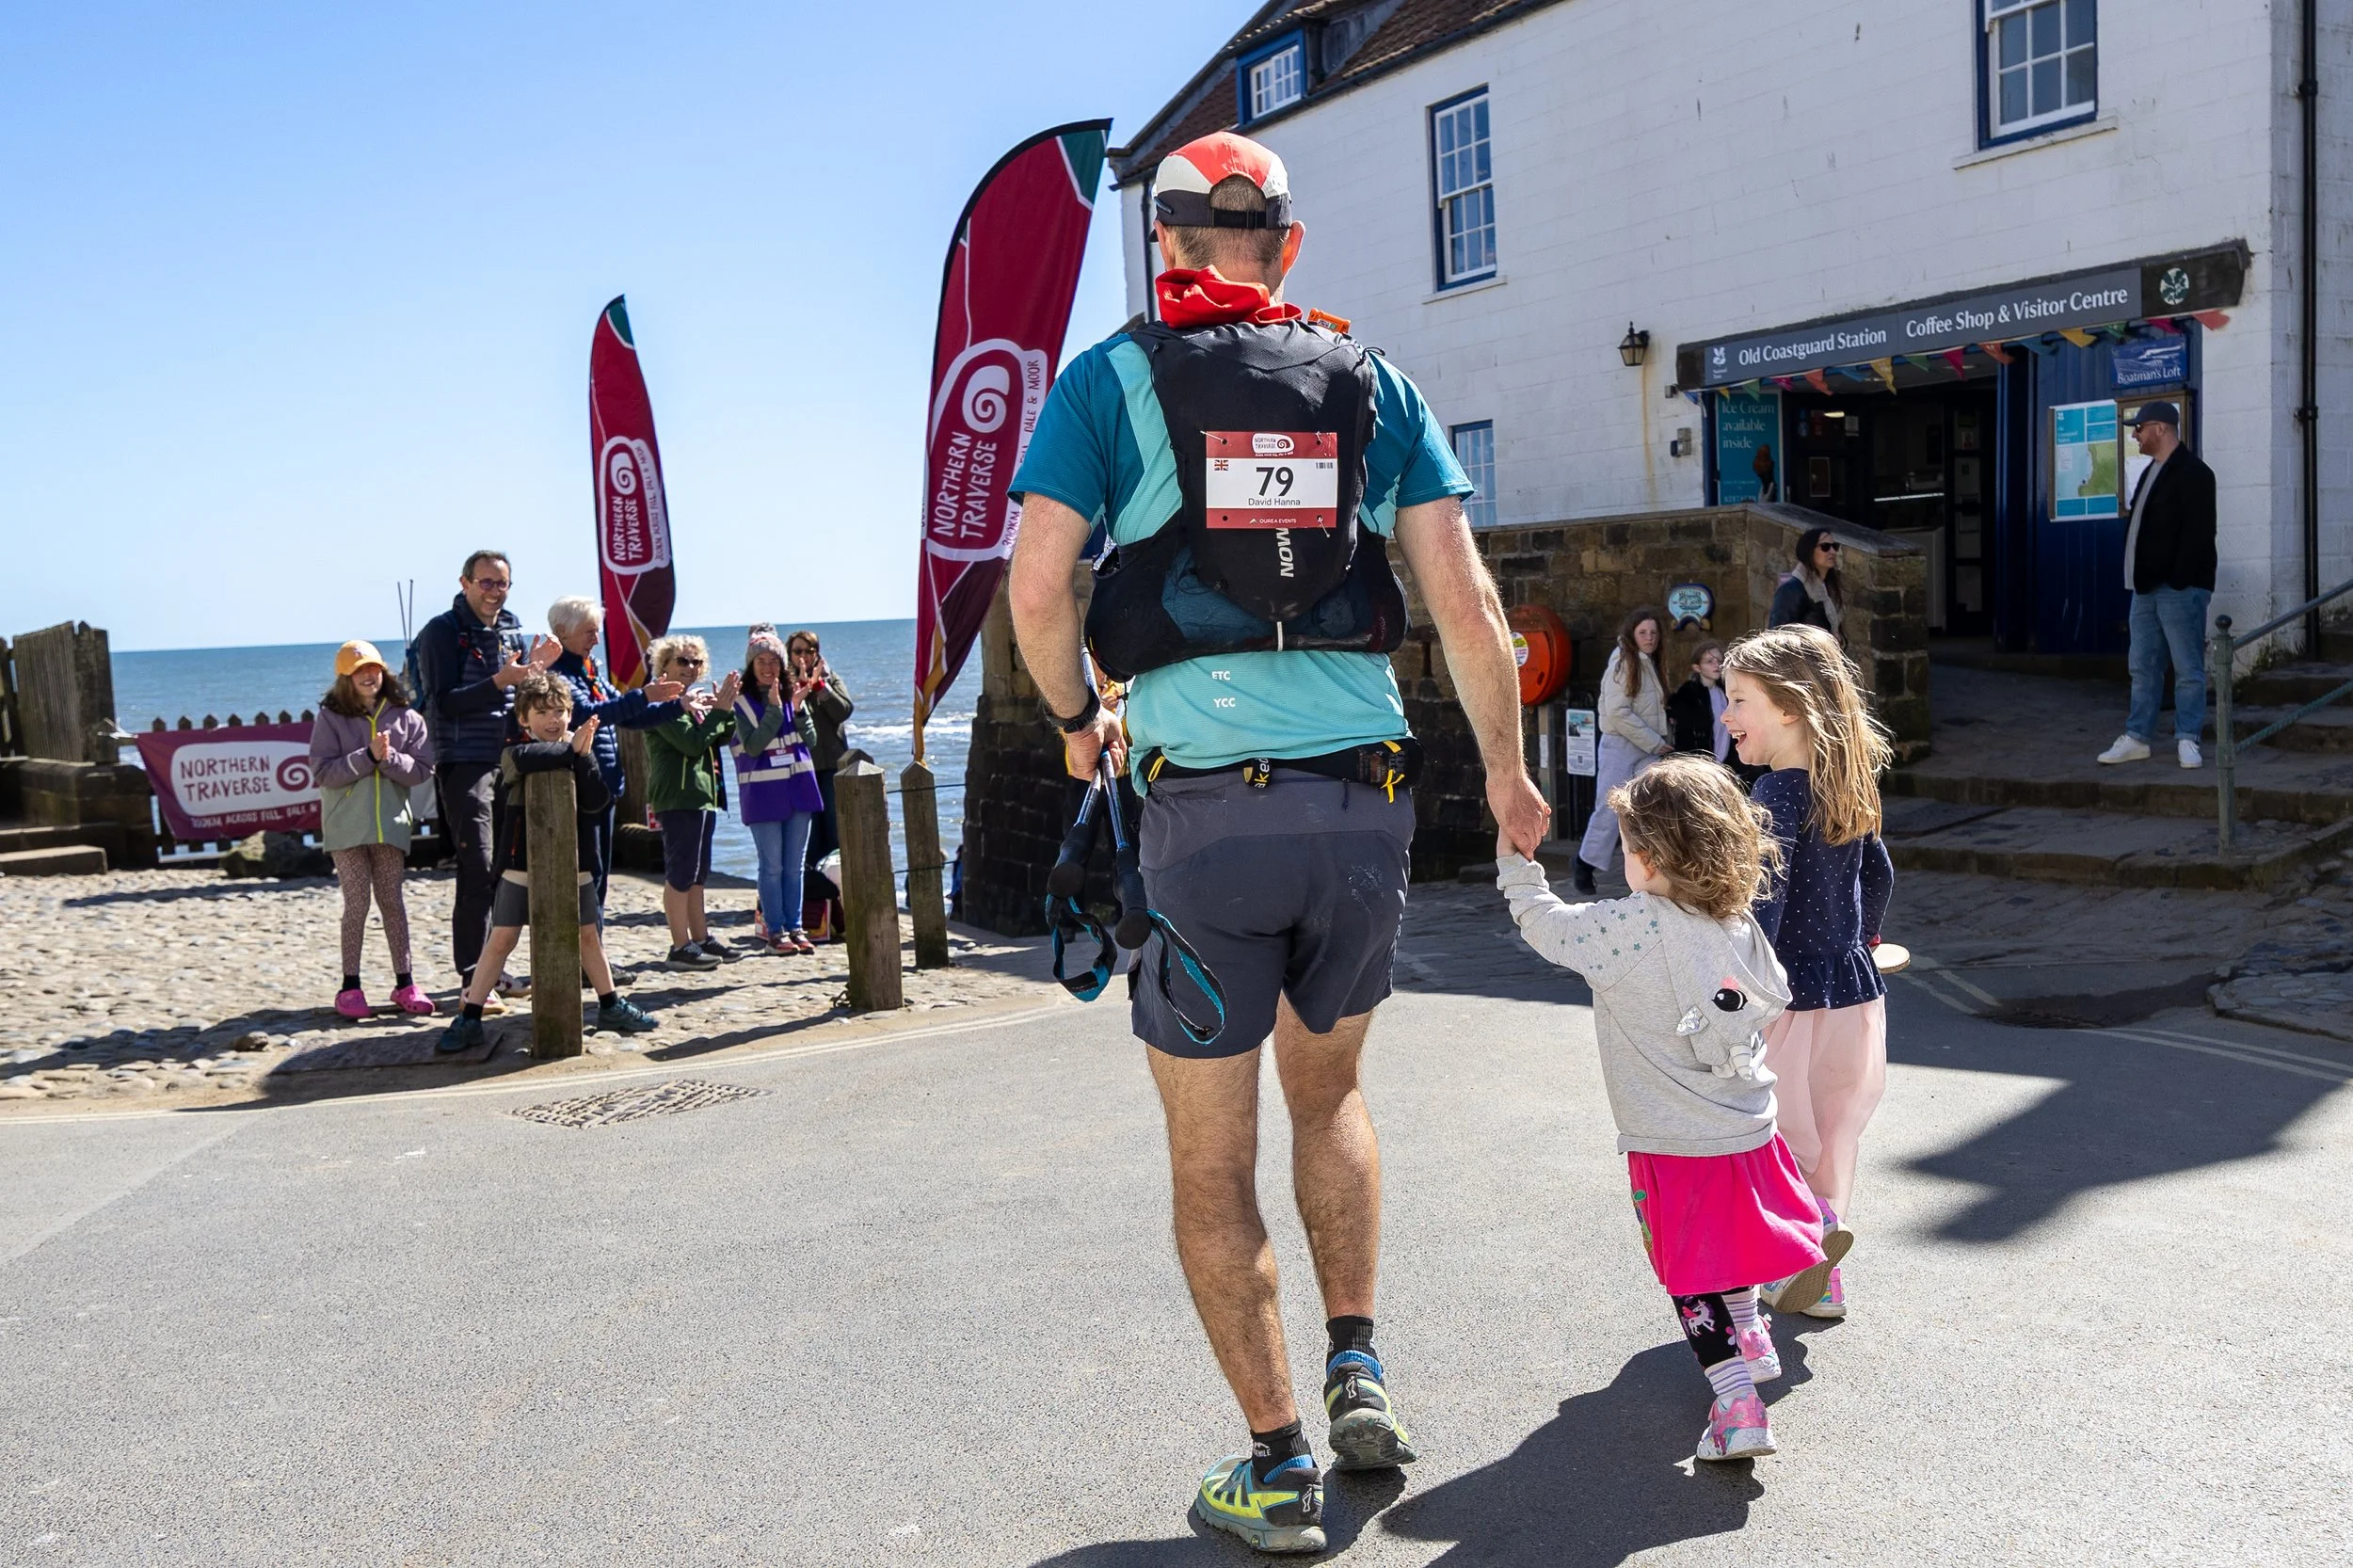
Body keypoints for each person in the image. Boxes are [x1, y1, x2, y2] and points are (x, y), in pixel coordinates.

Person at [1006, 130, 1548, 1555]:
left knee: (1208, 1159)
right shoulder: (1371, 383)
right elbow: (1467, 599)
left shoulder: (1111, 380)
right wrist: (1507, 776)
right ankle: (1359, 1361)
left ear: (1167, 241)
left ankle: (1277, 1465)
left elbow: (1040, 584)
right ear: (1286, 247)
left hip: (1206, 816)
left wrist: (1075, 718)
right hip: (1364, 802)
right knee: (1334, 1094)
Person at [1495, 756, 1825, 1463]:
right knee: (1728, 1245)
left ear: (1644, 856)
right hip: (1745, 1127)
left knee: (1691, 1275)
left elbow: (1545, 925)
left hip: (1671, 1143)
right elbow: (1770, 994)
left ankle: (1737, 1405)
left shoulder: (1624, 929)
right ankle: (1753, 1332)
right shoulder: (1736, 925)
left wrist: (1516, 867)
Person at [1721, 624, 1895, 1323]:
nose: (1726, 717)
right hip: (1852, 993)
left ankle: (1802, 1248)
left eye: (1738, 700)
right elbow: (1877, 875)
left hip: (1787, 995)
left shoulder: (1776, 795)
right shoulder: (1844, 785)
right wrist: (1866, 938)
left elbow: (1766, 902)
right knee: (1829, 1129)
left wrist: (1735, 985)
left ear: (1789, 709)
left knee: (1777, 1134)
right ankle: (1823, 1271)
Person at [435, 674, 659, 1054]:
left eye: (560, 711)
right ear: (523, 719)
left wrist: (584, 757)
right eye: (542, 712)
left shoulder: (579, 751)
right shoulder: (515, 752)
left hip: (577, 865)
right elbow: (527, 759)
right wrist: (574, 751)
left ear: (571, 713)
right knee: (501, 939)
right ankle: (470, 1015)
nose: (552, 720)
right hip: (519, 865)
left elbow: (597, 801)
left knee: (589, 936)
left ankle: (610, 1005)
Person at [410, 550, 558, 992]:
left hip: (510, 756)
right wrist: (500, 682)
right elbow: (443, 700)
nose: (495, 592)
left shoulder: (511, 627)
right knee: (477, 863)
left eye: (502, 584)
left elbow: (519, 697)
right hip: (464, 760)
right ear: (465, 583)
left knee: (506, 870)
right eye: (486, 583)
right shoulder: (440, 631)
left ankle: (494, 971)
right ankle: (472, 975)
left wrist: (535, 671)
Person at [311, 641, 437, 1019]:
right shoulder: (330, 718)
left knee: (393, 904)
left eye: (375, 669)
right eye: (360, 671)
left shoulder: (407, 717)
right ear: (345, 679)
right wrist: (367, 757)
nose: (369, 676)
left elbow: (422, 770)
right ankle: (350, 986)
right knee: (357, 905)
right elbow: (323, 773)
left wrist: (388, 758)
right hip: (347, 829)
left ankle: (405, 983)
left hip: (391, 828)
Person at [544, 596, 686, 916]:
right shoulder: (557, 673)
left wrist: (676, 706)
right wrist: (643, 696)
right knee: (586, 876)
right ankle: (586, 960)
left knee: (599, 878)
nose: (596, 639)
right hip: (580, 787)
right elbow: (585, 713)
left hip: (605, 785)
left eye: (598, 632)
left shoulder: (588, 670)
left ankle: (594, 958)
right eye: (589, 632)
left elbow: (627, 715)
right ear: (562, 633)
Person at [2098, 401, 2218, 770]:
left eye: (2140, 427)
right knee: (2143, 665)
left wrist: (2178, 580)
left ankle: (2188, 738)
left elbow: (2199, 532)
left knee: (2187, 667)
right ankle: (2137, 737)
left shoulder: (2195, 473)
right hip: (2145, 588)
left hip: (2177, 588)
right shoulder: (2152, 470)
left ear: (2161, 429)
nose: (2134, 434)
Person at [643, 635, 743, 968]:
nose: (690, 668)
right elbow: (692, 744)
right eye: (682, 661)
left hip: (703, 796)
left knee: (698, 873)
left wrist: (724, 710)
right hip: (677, 797)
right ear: (664, 666)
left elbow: (723, 736)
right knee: (680, 872)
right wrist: (720, 712)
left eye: (696, 662)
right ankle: (679, 945)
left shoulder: (692, 700)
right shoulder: (661, 705)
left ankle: (700, 937)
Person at [732, 625, 826, 957]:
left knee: (794, 866)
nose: (768, 667)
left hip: (799, 790)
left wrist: (799, 710)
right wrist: (773, 710)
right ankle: (776, 930)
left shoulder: (793, 695)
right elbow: (755, 746)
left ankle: (796, 926)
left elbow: (812, 741)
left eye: (774, 660)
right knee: (770, 865)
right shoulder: (741, 704)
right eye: (761, 660)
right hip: (763, 796)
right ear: (751, 665)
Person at [1575, 607, 1673, 895]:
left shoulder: (1648, 662)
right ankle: (1583, 863)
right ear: (1631, 633)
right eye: (1643, 632)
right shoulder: (1623, 661)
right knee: (1609, 808)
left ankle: (1654, 867)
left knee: (1652, 806)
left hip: (1647, 745)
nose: (1649, 638)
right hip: (1622, 744)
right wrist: (1655, 741)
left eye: (1654, 633)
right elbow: (1618, 712)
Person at [788, 629, 854, 940]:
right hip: (804, 771)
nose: (803, 656)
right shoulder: (786, 683)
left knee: (835, 835)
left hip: (834, 768)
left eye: (808, 650)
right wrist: (800, 689)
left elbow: (843, 711)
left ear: (817, 652)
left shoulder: (829, 677)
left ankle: (837, 911)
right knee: (810, 841)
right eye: (797, 650)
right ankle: (809, 912)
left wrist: (821, 687)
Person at [1668, 639, 1764, 790]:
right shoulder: (1688, 695)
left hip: (1726, 762)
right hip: (1699, 767)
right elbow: (1684, 735)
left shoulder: (1726, 691)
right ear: (1697, 667)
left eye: (1719, 660)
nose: (1716, 665)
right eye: (1709, 661)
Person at [1768, 528, 1846, 640]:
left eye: (1835, 546)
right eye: (1825, 547)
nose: (1832, 552)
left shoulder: (1830, 589)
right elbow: (1776, 636)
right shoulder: (1791, 590)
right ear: (1809, 551)